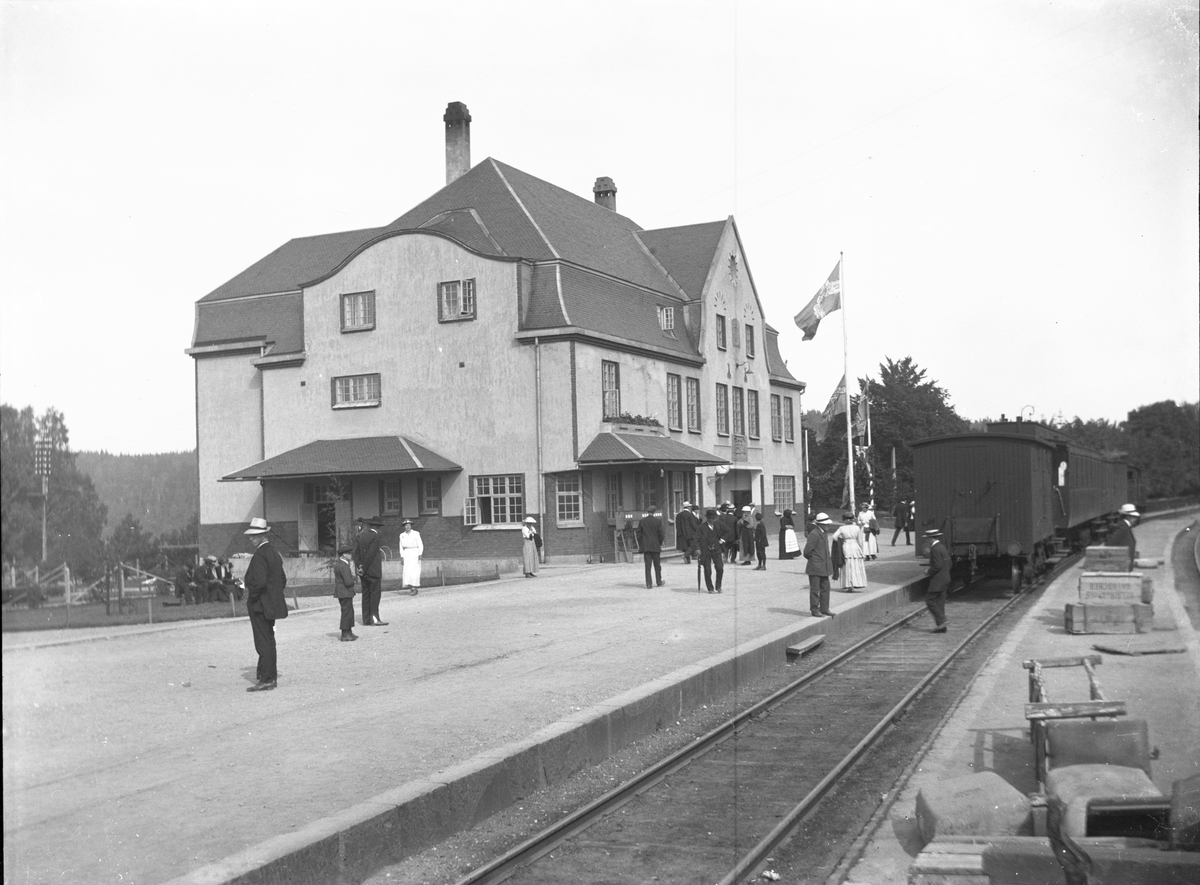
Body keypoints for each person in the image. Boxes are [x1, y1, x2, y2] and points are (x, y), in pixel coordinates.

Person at [243, 516, 288, 691]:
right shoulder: (274, 553)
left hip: (260, 605)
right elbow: (282, 579)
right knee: (269, 639)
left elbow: (260, 582)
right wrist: (273, 595)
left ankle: (267, 678)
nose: (251, 538)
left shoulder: (260, 555)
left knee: (263, 642)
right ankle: (268, 675)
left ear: (263, 536)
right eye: (251, 535)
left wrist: (253, 597)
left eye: (254, 535)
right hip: (270, 604)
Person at [355, 516, 387, 626]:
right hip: (373, 570)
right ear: (378, 527)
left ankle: (366, 619)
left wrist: (360, 566)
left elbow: (355, 554)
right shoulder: (376, 537)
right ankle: (374, 619)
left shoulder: (361, 536)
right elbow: (371, 554)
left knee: (366, 595)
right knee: (375, 595)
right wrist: (364, 568)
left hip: (363, 572)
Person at [804, 512, 836, 617]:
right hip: (816, 566)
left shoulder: (823, 532)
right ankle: (814, 609)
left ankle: (824, 608)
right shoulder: (814, 534)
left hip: (824, 566)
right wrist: (815, 560)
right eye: (826, 524)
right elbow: (807, 551)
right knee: (815, 590)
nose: (828, 525)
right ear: (820, 524)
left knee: (825, 588)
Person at [924, 528, 950, 632]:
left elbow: (937, 565)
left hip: (938, 580)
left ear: (931, 538)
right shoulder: (942, 547)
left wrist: (928, 571)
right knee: (940, 602)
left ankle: (942, 620)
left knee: (930, 600)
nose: (926, 541)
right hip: (945, 578)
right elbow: (949, 563)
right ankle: (942, 627)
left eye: (927, 539)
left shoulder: (935, 549)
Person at [833, 512, 867, 591]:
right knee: (855, 564)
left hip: (846, 545)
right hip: (855, 546)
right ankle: (856, 582)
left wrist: (840, 541)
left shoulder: (841, 528)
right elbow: (860, 540)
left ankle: (848, 584)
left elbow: (834, 537)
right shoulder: (857, 528)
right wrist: (862, 550)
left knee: (847, 564)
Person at [332, 543, 358, 642]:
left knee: (348, 612)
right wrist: (354, 578)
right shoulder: (344, 566)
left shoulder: (338, 564)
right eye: (349, 553)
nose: (351, 555)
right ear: (344, 555)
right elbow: (348, 582)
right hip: (345, 591)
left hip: (342, 592)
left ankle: (349, 632)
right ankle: (345, 634)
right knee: (347, 613)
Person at [696, 508, 726, 593]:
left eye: (714, 518)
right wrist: (698, 549)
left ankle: (718, 586)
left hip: (717, 550)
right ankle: (710, 588)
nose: (713, 520)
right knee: (707, 569)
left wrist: (723, 539)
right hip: (706, 551)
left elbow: (728, 531)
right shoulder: (701, 527)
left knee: (720, 568)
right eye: (712, 519)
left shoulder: (718, 525)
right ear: (708, 519)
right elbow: (696, 539)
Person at [637, 508, 666, 588]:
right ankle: (659, 581)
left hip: (646, 547)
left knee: (648, 566)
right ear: (654, 512)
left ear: (648, 512)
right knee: (657, 565)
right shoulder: (658, 522)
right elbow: (661, 535)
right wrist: (659, 543)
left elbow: (638, 535)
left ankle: (649, 583)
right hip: (656, 546)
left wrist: (642, 544)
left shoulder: (642, 521)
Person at [1107, 503, 1139, 571]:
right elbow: (1110, 543)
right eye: (1133, 516)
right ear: (1127, 517)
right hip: (1121, 566)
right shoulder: (1123, 528)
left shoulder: (1125, 527)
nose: (1135, 519)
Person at [398, 519, 423, 595]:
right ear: (404, 526)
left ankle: (414, 588)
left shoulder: (416, 533)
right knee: (407, 570)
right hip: (406, 553)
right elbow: (401, 547)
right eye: (406, 525)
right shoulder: (402, 535)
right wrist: (402, 556)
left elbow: (420, 544)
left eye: (409, 525)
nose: (408, 527)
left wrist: (420, 553)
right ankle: (411, 587)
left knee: (414, 570)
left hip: (414, 552)